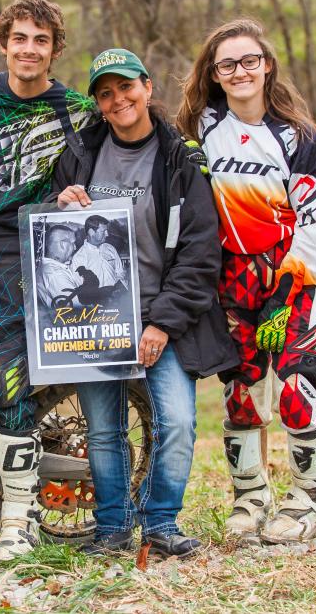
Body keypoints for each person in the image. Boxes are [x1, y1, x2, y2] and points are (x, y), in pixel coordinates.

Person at [54, 48, 238, 558]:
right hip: (96, 321)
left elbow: (202, 252)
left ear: (148, 87)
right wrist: (60, 206)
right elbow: (51, 233)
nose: (119, 100)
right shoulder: (80, 153)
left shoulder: (181, 157)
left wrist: (162, 324)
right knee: (104, 429)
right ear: (98, 102)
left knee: (177, 422)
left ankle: (160, 522)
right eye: (106, 93)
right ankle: (112, 529)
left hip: (163, 315)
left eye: (126, 87)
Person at [0, 0, 95, 562]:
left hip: (19, 243)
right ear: (3, 43)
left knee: (6, 359)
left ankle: (20, 515)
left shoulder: (76, 110)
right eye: (20, 38)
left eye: (41, 40)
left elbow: (110, 162)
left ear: (54, 49)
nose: (29, 49)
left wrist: (81, 194)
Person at [176, 18, 316, 544]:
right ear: (215, 74)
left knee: (295, 390)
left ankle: (310, 502)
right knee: (242, 393)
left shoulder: (297, 136)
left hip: (294, 280)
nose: (240, 71)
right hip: (234, 283)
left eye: (250, 60)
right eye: (228, 64)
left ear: (267, 64)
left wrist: (286, 296)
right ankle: (250, 499)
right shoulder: (200, 128)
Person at [71, 215, 126, 288]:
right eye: (103, 231)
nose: (107, 234)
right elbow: (79, 286)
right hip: (96, 298)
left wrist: (119, 288)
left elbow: (120, 272)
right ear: (91, 232)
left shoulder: (110, 248)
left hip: (117, 296)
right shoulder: (79, 257)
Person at [37, 224, 82, 308]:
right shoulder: (56, 274)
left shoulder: (47, 266)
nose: (75, 247)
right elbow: (79, 309)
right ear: (62, 245)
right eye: (73, 243)